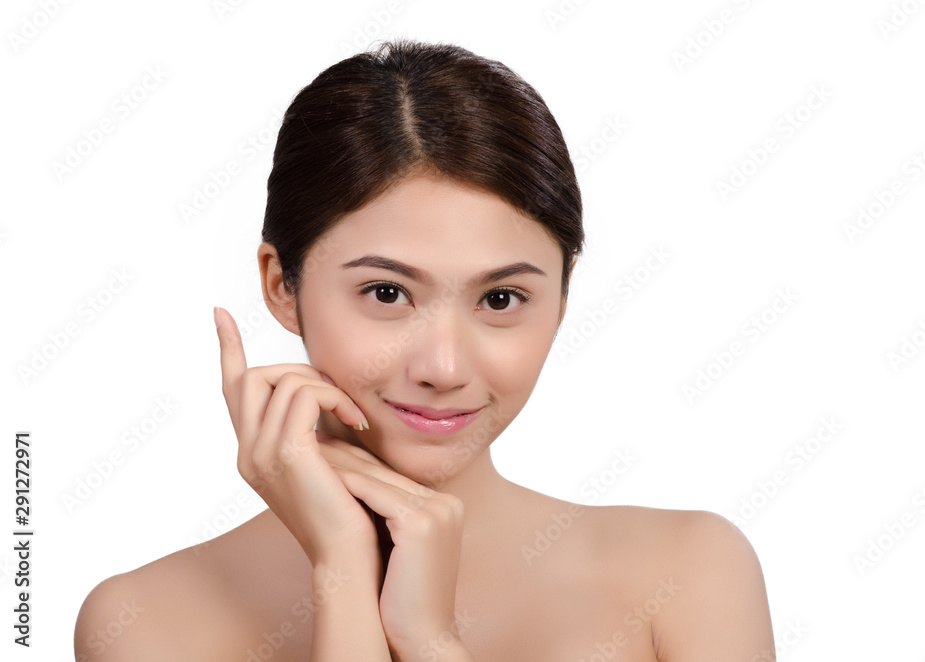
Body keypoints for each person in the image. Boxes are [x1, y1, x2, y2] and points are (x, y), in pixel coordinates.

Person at [74, 38, 775, 662]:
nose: (443, 368)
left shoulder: (688, 576)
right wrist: (344, 573)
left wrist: (430, 642)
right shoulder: (145, 624)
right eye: (386, 294)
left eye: (500, 300)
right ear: (281, 285)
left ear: (562, 298)